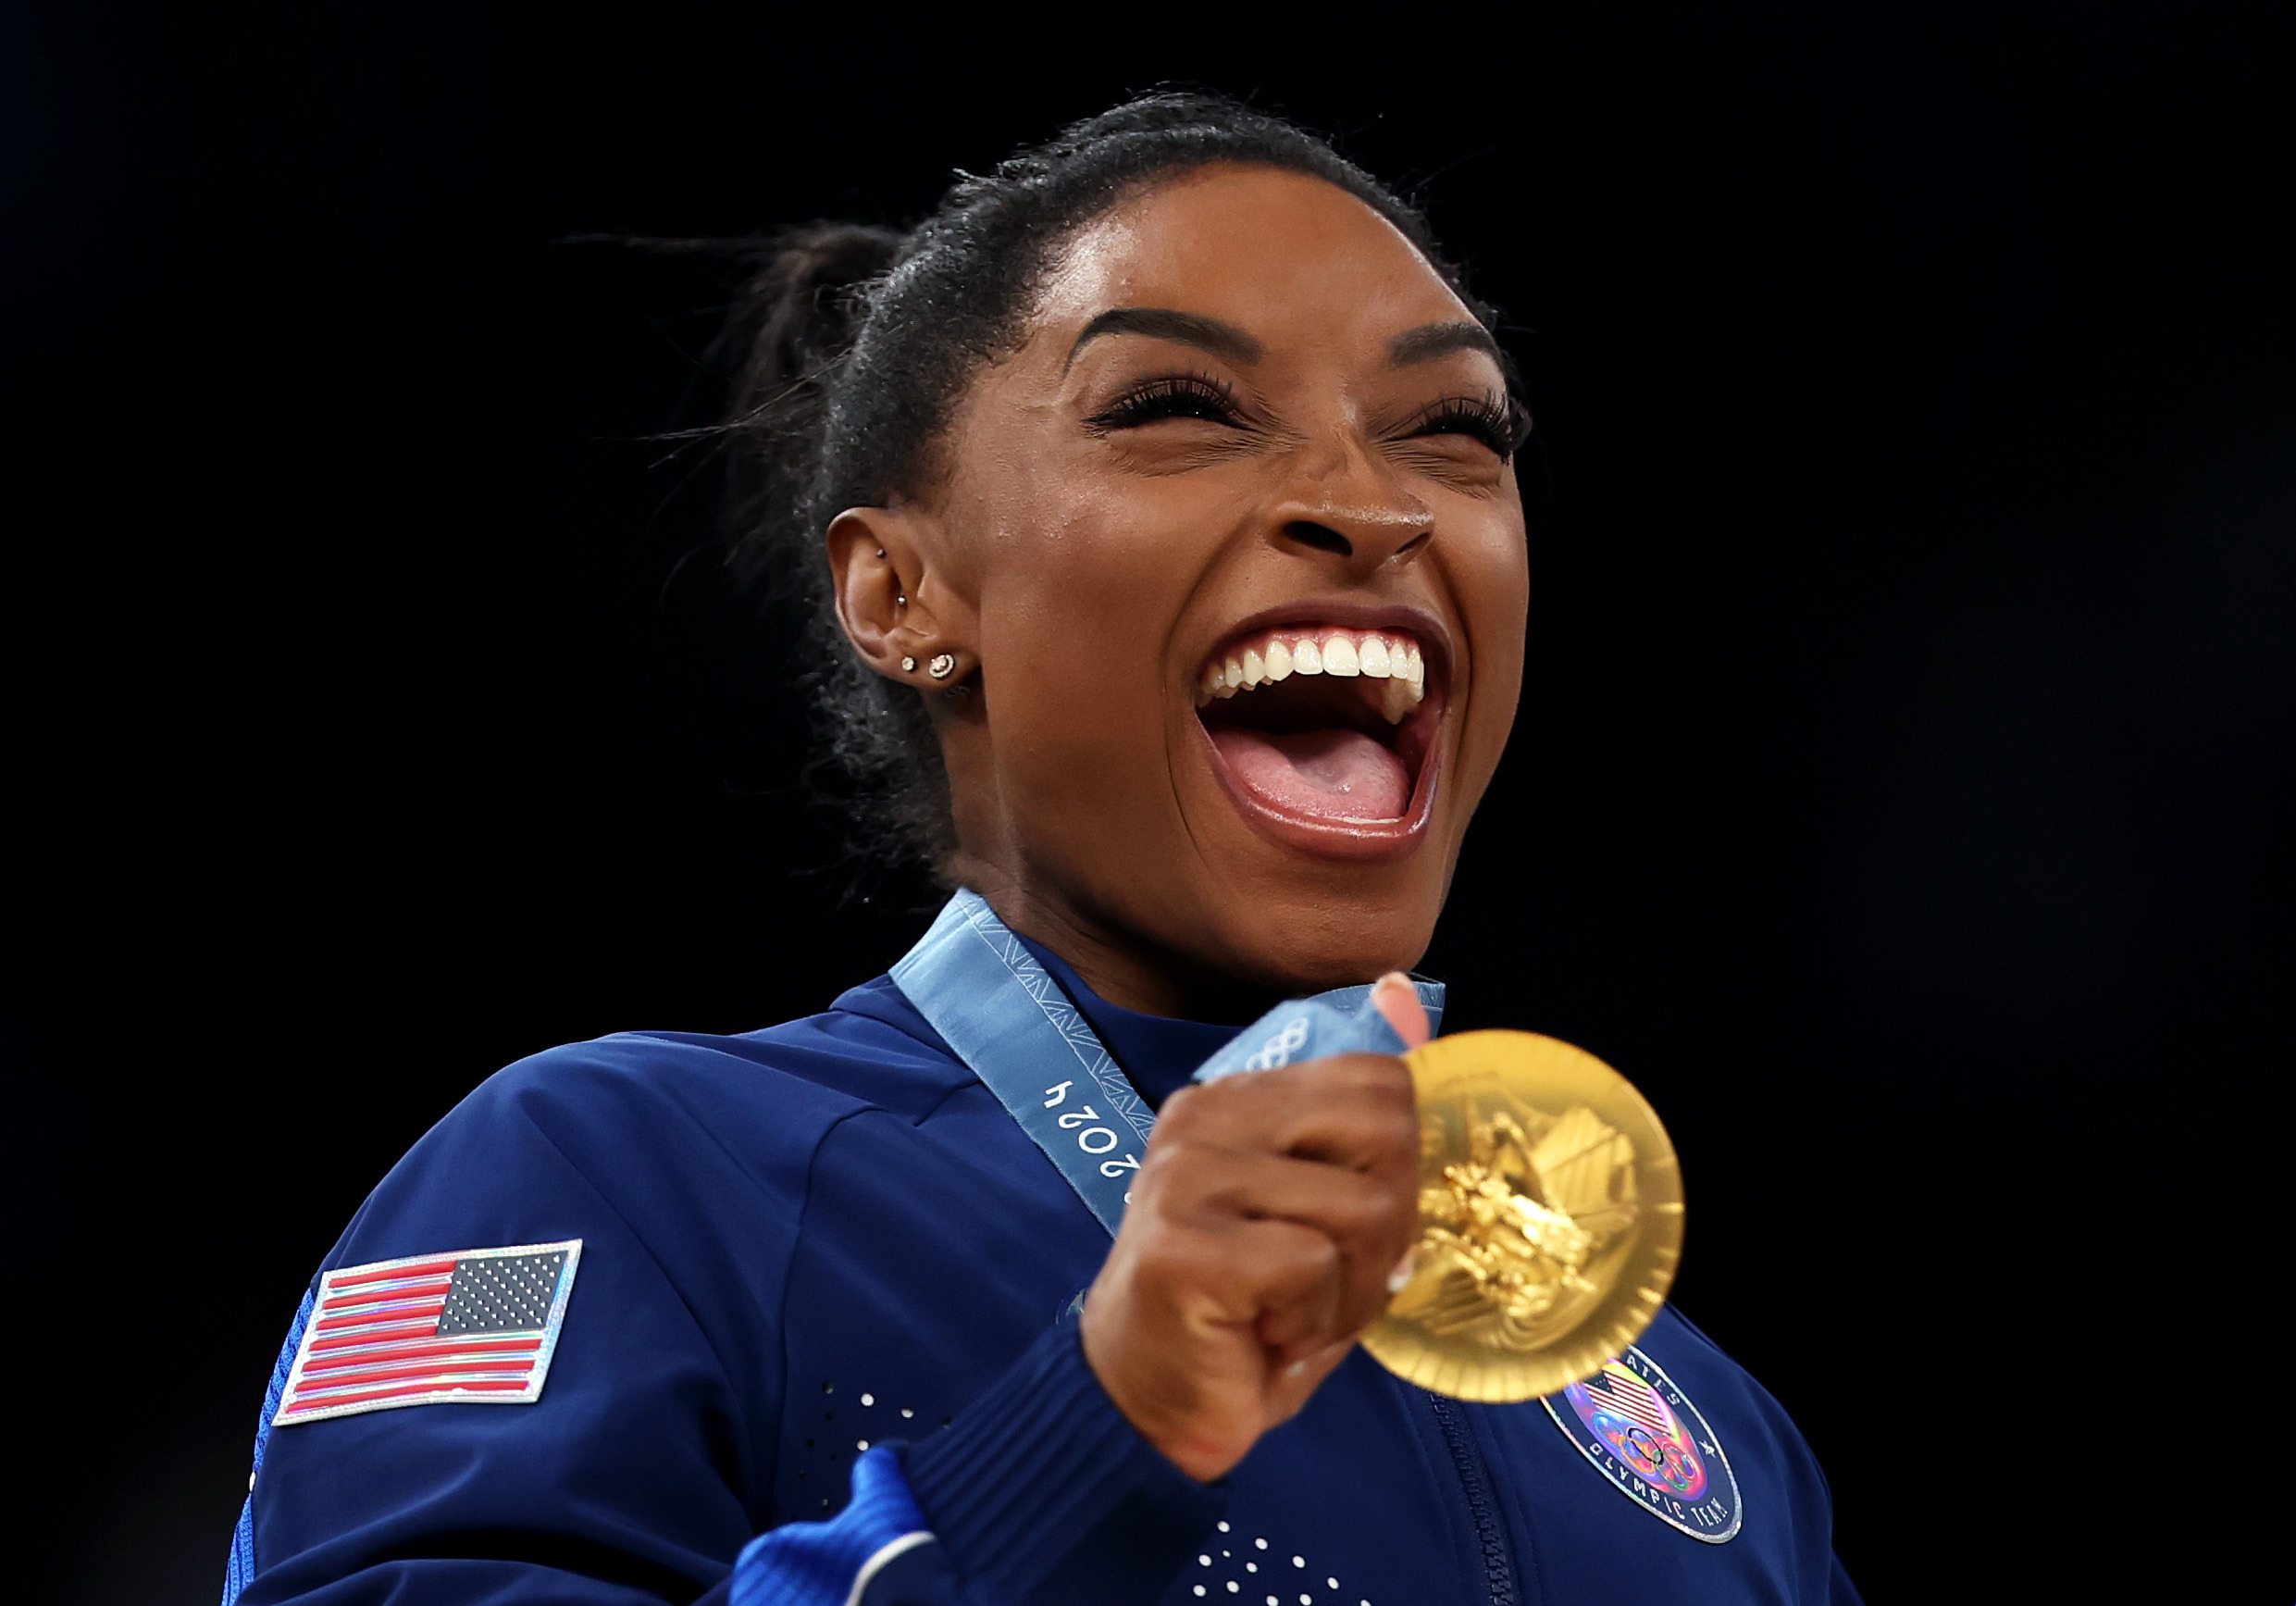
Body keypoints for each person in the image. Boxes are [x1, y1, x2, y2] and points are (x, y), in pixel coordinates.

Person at [224, 93, 1859, 1606]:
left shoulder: (1698, 1415)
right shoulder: (615, 1179)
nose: (1377, 506)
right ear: (901, 595)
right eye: (1175, 408)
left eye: (1455, 432)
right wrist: (1097, 1424)